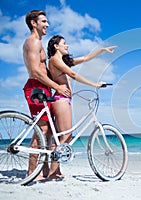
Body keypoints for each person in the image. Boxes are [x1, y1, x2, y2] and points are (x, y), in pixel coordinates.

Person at [47, 35, 117, 179]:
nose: (67, 46)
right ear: (56, 46)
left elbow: (85, 58)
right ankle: (53, 173)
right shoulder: (54, 60)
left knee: (61, 137)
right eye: (64, 44)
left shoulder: (63, 61)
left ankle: (56, 171)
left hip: (64, 99)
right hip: (61, 99)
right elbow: (72, 74)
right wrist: (94, 84)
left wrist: (102, 50)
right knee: (66, 135)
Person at [23, 10, 71, 180]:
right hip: (36, 87)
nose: (47, 25)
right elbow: (35, 71)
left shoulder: (39, 43)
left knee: (49, 131)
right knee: (41, 130)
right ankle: (31, 172)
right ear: (33, 23)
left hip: (45, 88)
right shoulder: (32, 42)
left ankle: (45, 171)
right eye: (43, 21)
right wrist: (57, 85)